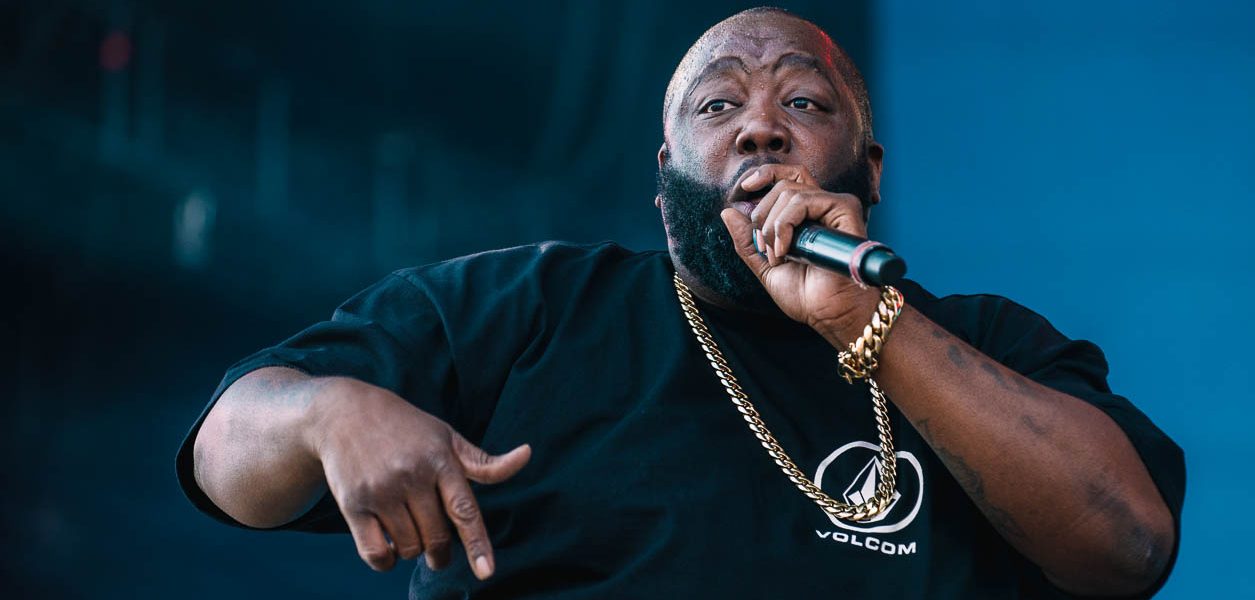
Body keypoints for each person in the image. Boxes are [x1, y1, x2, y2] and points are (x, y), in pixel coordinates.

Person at [177, 7, 1184, 599]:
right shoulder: (527, 308)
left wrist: (862, 325)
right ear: (665, 179)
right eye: (718, 105)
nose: (760, 130)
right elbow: (225, 457)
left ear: (868, 168)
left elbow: (1127, 547)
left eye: (803, 102)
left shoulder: (979, 342)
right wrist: (326, 412)